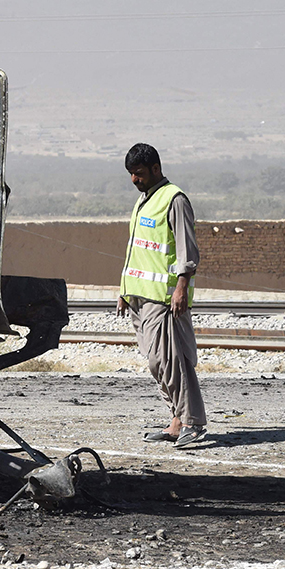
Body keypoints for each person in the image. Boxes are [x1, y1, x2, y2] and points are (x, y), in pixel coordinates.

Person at [116, 143, 207, 448]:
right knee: (161, 363)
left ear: (156, 168)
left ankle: (193, 422)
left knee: (168, 361)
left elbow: (187, 249)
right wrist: (125, 291)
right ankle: (176, 422)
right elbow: (137, 251)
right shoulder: (144, 201)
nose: (134, 180)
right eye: (130, 174)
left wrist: (181, 286)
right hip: (139, 296)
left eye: (139, 173)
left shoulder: (174, 200)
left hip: (163, 298)